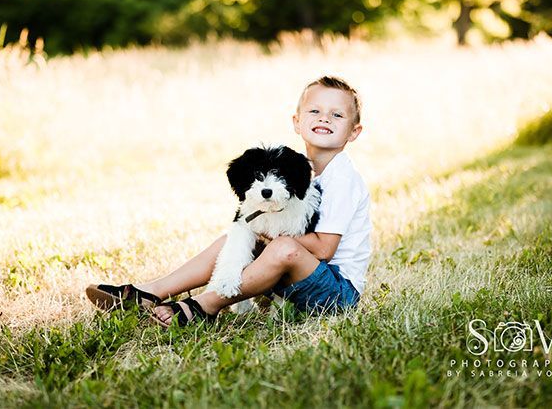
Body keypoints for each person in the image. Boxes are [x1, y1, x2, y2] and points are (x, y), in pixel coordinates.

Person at [85, 76, 372, 327]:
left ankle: (207, 304)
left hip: (335, 293)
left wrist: (269, 236)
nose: (324, 118)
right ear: (297, 122)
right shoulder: (298, 169)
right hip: (299, 278)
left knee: (282, 245)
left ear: (354, 131)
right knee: (237, 237)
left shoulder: (342, 178)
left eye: (337, 115)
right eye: (315, 111)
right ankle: (151, 292)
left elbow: (323, 248)